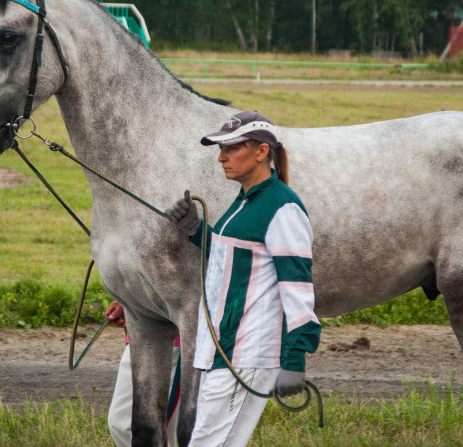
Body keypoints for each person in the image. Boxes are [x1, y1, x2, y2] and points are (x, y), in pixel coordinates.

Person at [166, 111, 321, 446]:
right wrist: (196, 231)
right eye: (221, 149)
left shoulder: (283, 208)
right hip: (222, 350)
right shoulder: (245, 201)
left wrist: (295, 358)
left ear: (261, 152)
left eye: (231, 148)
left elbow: (297, 288)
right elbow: (231, 263)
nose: (221, 157)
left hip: (248, 353)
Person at [105, 300, 182, 447]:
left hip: (171, 338)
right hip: (140, 335)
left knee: (150, 430)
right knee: (122, 423)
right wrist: (128, 298)